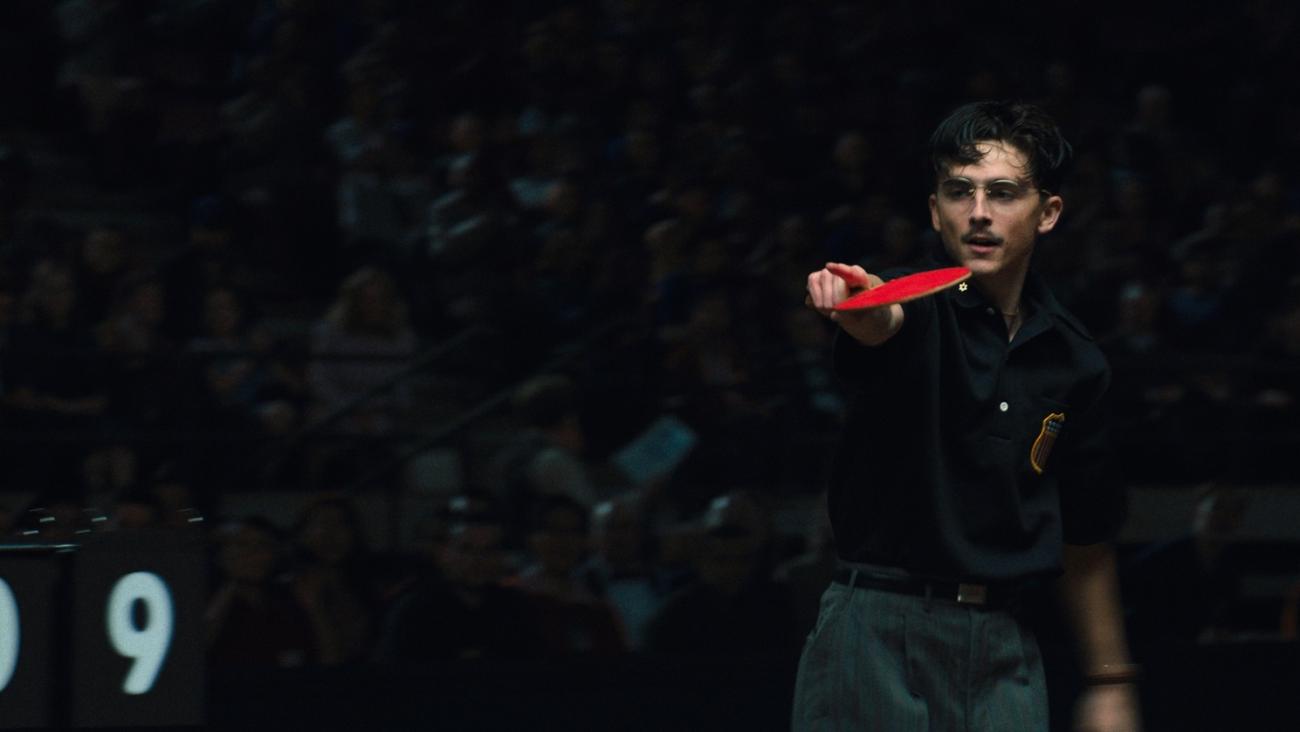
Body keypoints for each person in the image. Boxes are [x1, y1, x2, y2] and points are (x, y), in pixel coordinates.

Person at [796, 101, 1140, 731]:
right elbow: (880, 321)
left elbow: (1086, 537)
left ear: (1048, 213)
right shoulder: (913, 307)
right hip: (877, 628)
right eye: (960, 192)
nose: (979, 211)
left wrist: (1109, 681)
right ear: (936, 211)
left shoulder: (1076, 360)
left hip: (1004, 642)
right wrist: (858, 306)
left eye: (1003, 193)